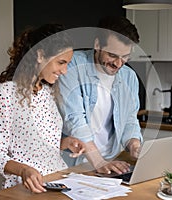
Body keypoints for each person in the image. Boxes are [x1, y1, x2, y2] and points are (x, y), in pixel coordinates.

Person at [0, 24, 85, 193]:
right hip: (25, 189)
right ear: (40, 55)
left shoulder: (48, 91)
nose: (65, 71)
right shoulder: (5, 93)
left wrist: (63, 143)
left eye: (67, 64)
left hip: (57, 181)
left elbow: (33, 146)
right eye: (61, 62)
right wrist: (24, 170)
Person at [57, 16, 143, 175]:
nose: (118, 63)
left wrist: (135, 145)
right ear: (97, 45)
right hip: (72, 164)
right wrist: (98, 162)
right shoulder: (72, 65)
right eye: (112, 55)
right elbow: (74, 120)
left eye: (125, 57)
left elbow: (130, 119)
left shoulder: (129, 77)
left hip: (109, 163)